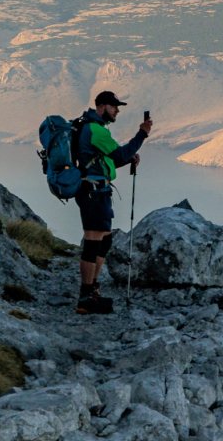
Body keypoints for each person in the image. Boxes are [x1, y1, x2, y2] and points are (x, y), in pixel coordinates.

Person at [72, 90, 151, 314]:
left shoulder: (93, 128)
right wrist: (142, 134)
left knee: (103, 241)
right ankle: (85, 297)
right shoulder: (95, 130)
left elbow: (105, 162)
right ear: (101, 106)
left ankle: (92, 290)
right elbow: (118, 155)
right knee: (93, 241)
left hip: (97, 190)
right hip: (93, 192)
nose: (117, 110)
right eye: (114, 106)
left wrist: (127, 159)